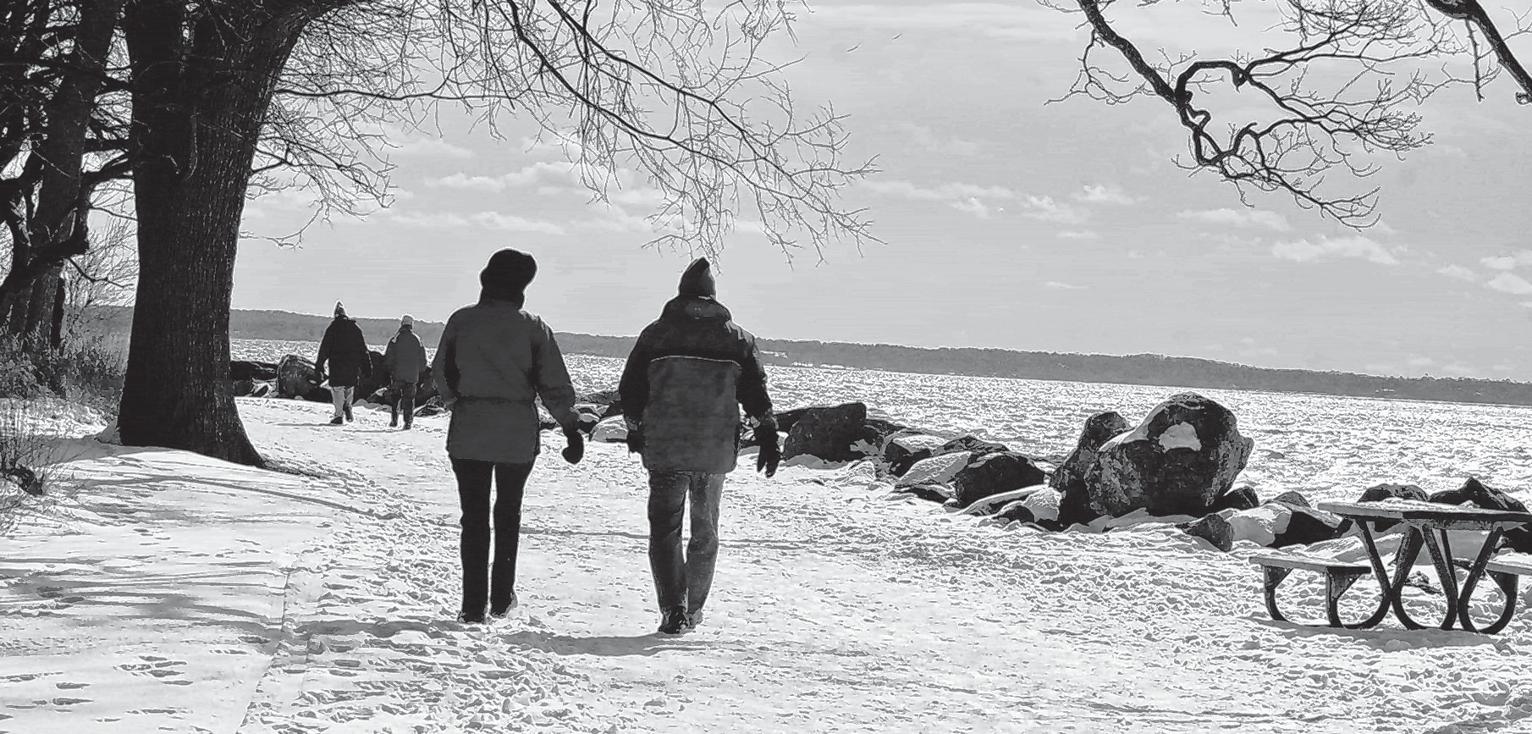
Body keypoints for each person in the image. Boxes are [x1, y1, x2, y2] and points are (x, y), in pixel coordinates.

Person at [619, 257, 781, 635]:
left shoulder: (655, 335)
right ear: (712, 297)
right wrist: (767, 433)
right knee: (705, 529)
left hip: (665, 444)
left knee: (664, 529)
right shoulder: (738, 339)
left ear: (680, 294)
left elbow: (631, 389)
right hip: (713, 447)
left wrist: (634, 428)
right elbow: (756, 394)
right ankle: (692, 609)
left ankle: (672, 608)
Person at [433, 249, 585, 624]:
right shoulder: (533, 327)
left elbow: (442, 372)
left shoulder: (461, 321)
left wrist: (457, 402)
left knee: (473, 516)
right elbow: (554, 384)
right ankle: (500, 597)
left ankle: (472, 605)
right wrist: (570, 426)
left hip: (469, 429)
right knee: (507, 513)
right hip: (516, 431)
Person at [316, 302, 370, 426]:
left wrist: (319, 365)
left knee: (337, 389)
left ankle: (339, 415)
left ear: (335, 315)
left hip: (337, 364)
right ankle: (348, 406)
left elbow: (325, 348)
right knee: (349, 387)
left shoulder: (332, 328)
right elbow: (363, 349)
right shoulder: (355, 328)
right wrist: (367, 366)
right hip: (352, 364)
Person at [383, 314, 429, 430]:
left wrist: (389, 370)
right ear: (411, 325)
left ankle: (394, 419)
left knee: (395, 397)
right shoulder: (417, 339)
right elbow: (423, 359)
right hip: (412, 375)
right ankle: (408, 422)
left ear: (402, 324)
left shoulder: (395, 338)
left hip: (397, 374)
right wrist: (420, 371)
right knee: (409, 399)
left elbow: (389, 357)